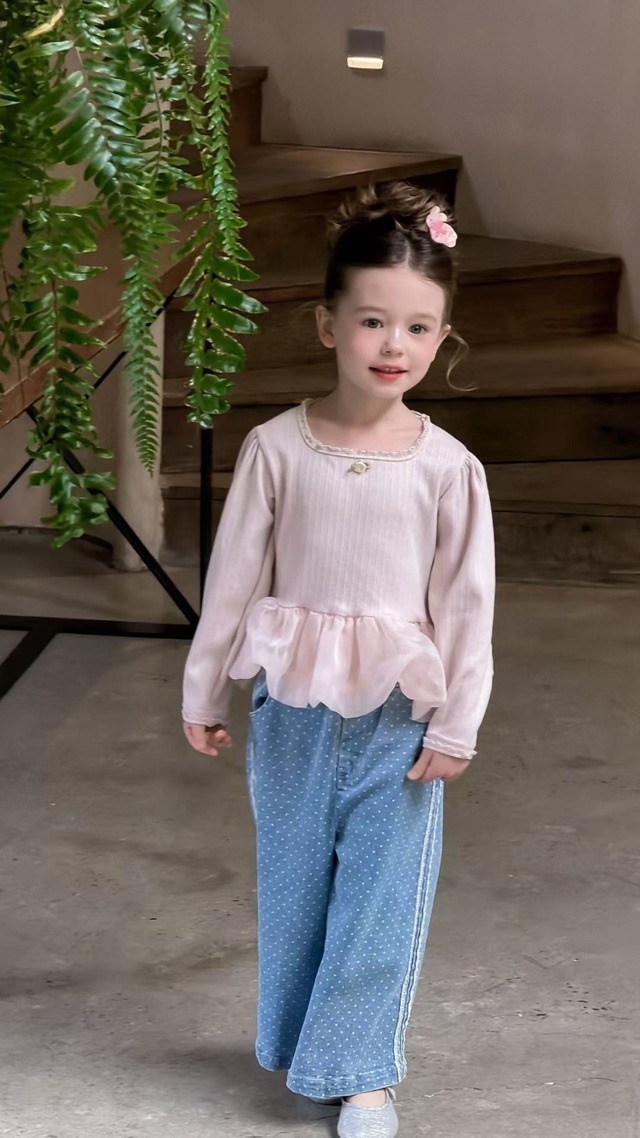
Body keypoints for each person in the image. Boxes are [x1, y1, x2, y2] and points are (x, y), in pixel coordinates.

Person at [182, 181, 495, 1138]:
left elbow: (467, 609)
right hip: (292, 711)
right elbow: (233, 581)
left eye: (418, 328)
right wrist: (204, 690)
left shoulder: (449, 469)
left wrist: (457, 724)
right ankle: (304, 1049)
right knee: (294, 891)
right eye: (372, 321)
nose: (394, 345)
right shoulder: (276, 448)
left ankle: (362, 1075)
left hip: (399, 720)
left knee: (381, 898)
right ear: (328, 325)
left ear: (442, 338)